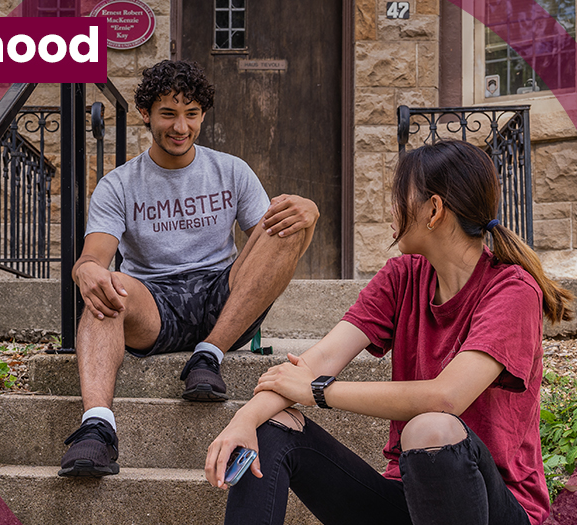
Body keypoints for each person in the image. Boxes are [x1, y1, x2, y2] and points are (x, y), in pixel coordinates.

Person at [205, 139, 574, 525]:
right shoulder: (403, 276)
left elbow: (446, 397)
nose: (391, 210)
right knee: (270, 426)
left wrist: (319, 392)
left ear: (433, 210)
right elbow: (319, 361)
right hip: (407, 501)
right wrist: (243, 421)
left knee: (431, 429)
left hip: (496, 506)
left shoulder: (512, 290)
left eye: (399, 197)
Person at [58, 60, 320, 478]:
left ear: (202, 115)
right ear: (146, 114)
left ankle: (208, 354)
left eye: (192, 113)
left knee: (289, 220)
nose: (181, 126)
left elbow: (271, 243)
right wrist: (86, 270)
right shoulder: (120, 184)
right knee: (106, 289)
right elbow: (94, 258)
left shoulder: (231, 170)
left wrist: (308, 211)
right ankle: (97, 429)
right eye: (168, 113)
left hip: (226, 299)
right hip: (155, 304)